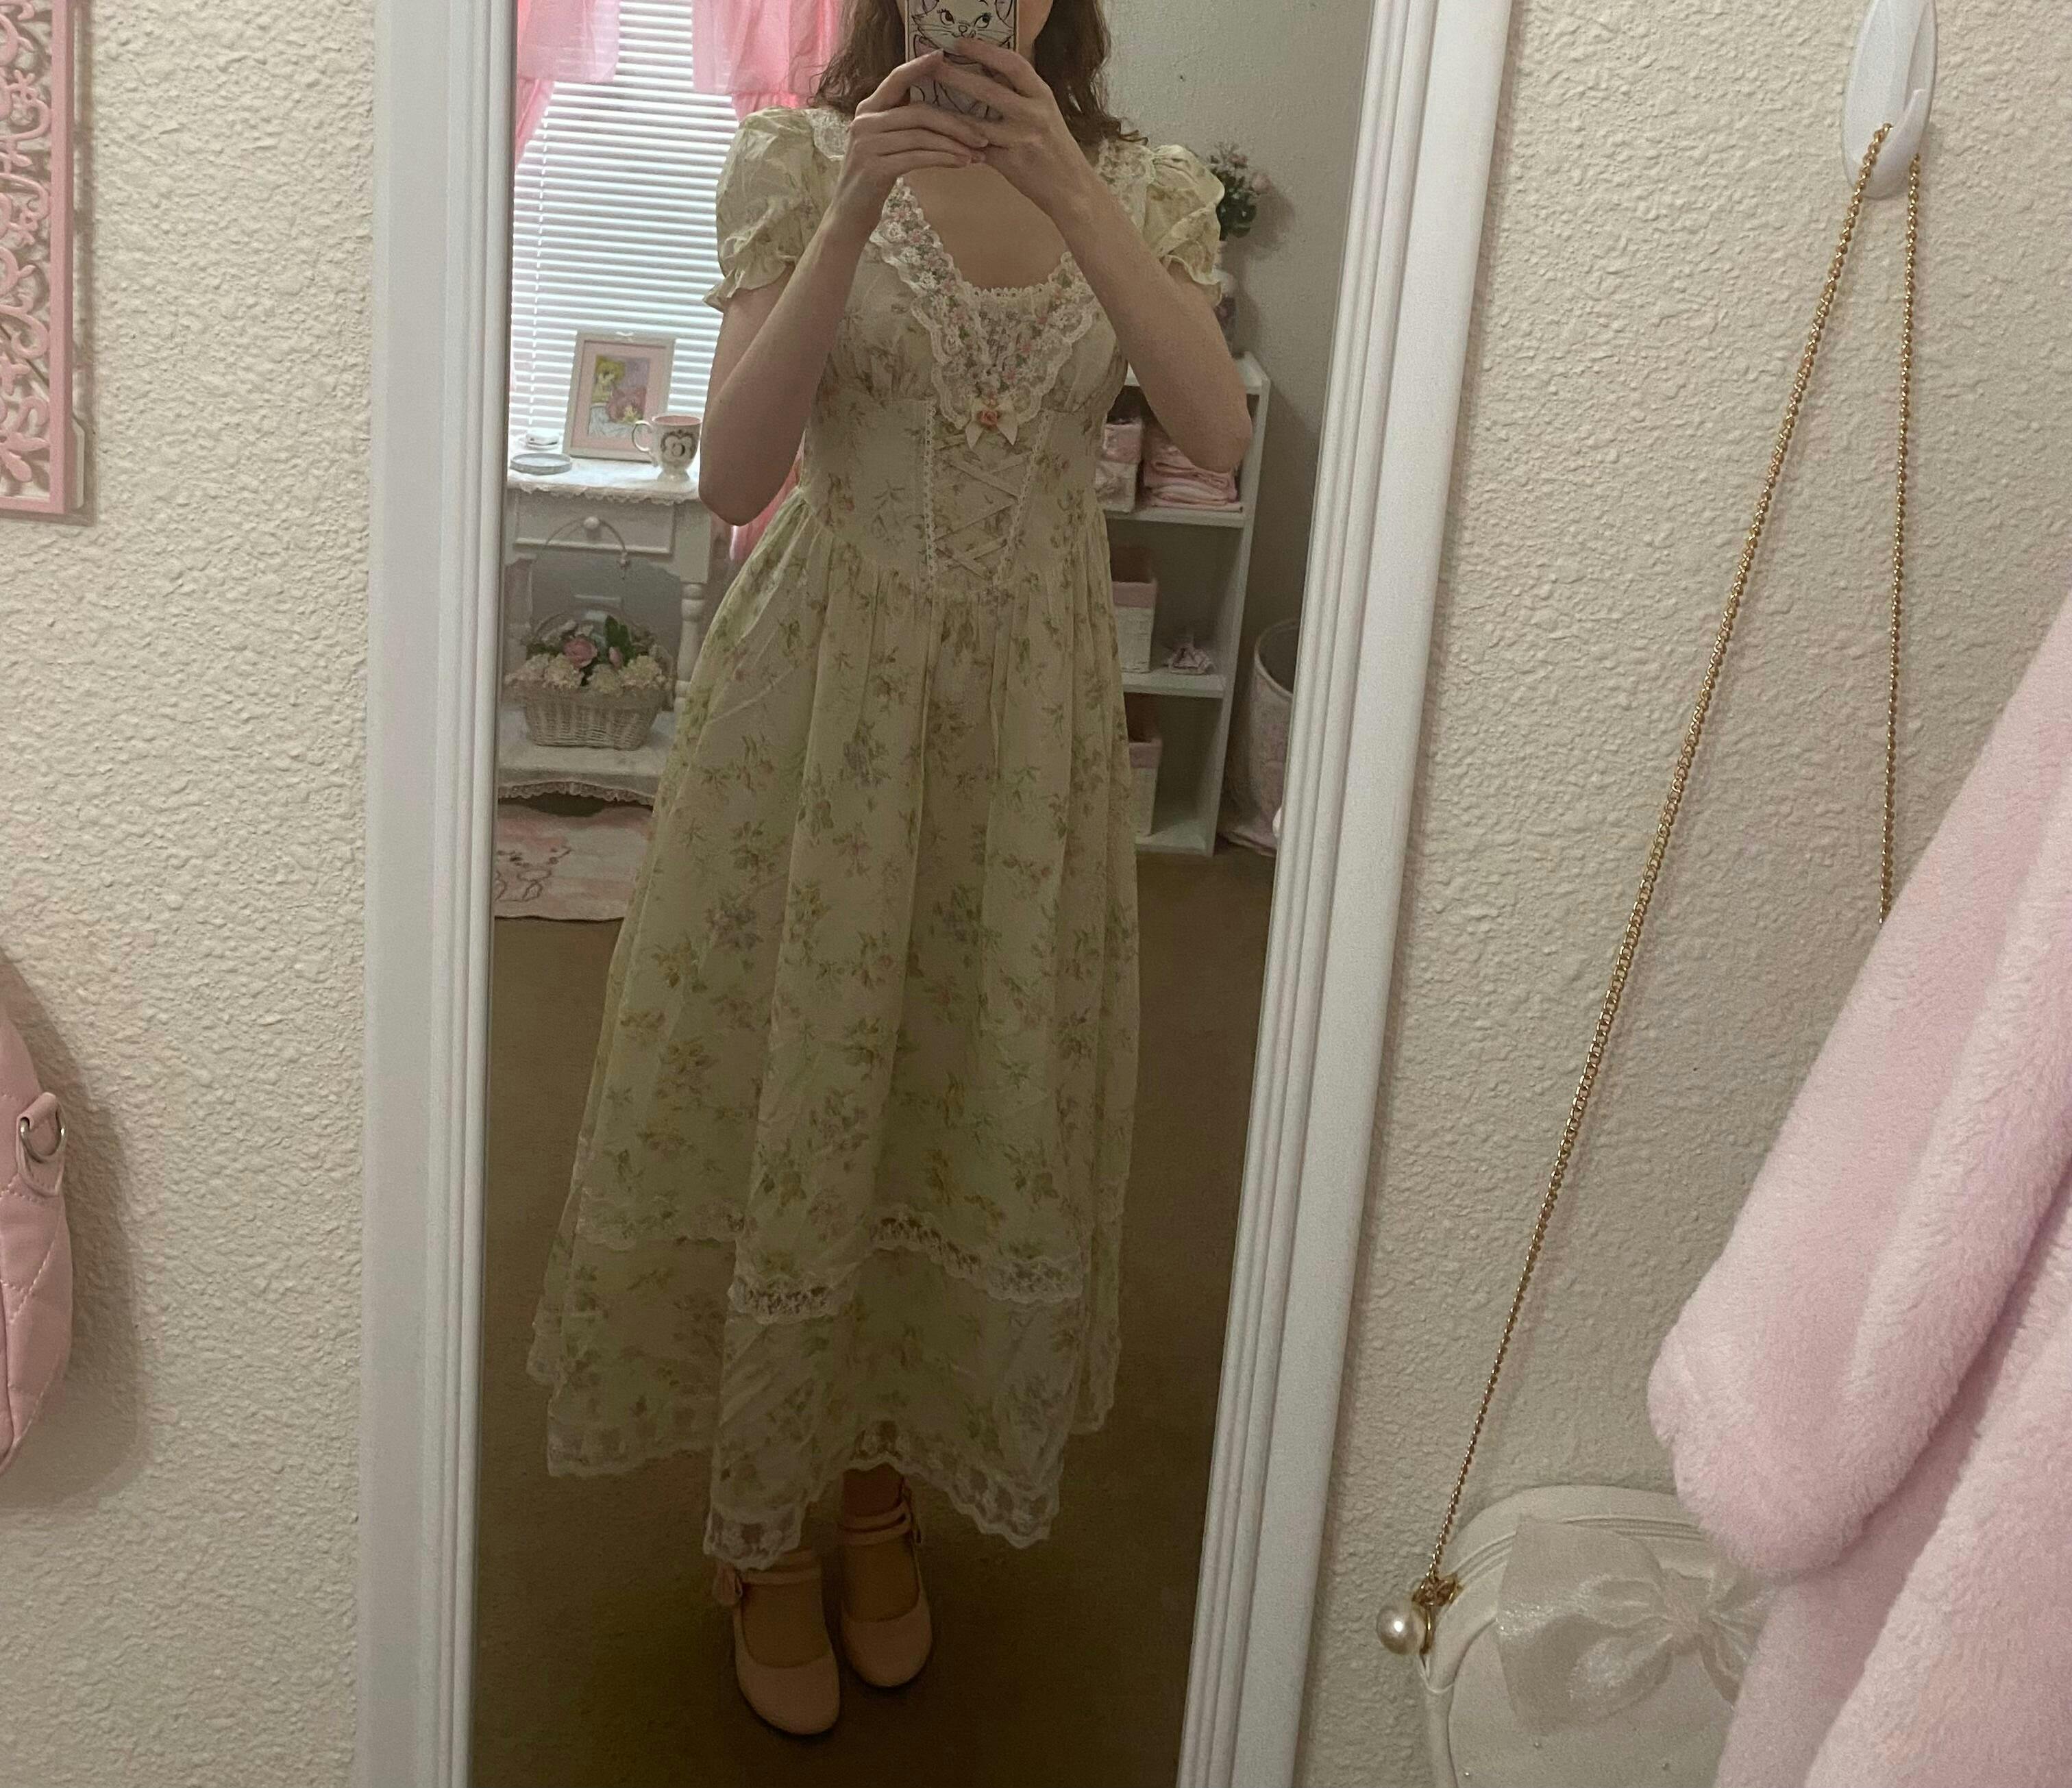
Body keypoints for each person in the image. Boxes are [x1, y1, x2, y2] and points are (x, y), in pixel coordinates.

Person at [528, 0, 1250, 1737]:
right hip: (821, 702)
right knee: (796, 1078)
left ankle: (876, 1484)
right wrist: (854, 206)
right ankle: (764, 1520)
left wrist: (1070, 189)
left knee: (952, 1090)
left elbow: (1215, 435)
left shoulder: (1148, 190)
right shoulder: (794, 160)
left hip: (1026, 725)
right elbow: (737, 472)